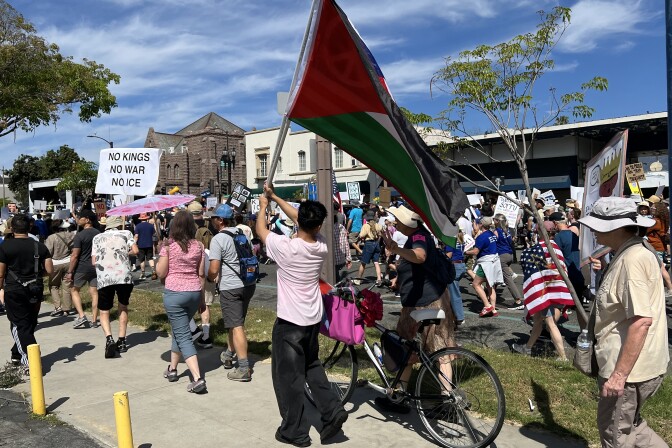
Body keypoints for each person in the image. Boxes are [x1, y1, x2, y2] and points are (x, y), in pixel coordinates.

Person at [256, 186, 347, 446]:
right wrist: (274, 197)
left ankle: (294, 430)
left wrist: (264, 205)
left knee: (289, 379)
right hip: (311, 319)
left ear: (302, 223)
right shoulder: (320, 246)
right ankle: (332, 410)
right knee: (312, 366)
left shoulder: (287, 248)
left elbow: (261, 231)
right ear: (318, 225)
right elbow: (300, 217)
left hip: (289, 323)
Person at [578, 197, 669, 447]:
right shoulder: (631, 252)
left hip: (629, 371)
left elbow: (641, 321)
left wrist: (619, 376)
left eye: (597, 225)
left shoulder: (632, 260)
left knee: (615, 434)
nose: (593, 230)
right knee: (633, 427)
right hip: (637, 366)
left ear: (617, 227)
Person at [379, 204, 455, 412]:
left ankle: (438, 400)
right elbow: (417, 264)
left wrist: (395, 249)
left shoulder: (418, 237)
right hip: (431, 300)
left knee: (411, 347)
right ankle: (445, 400)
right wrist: (399, 277)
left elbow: (420, 256)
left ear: (406, 223)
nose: (395, 222)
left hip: (423, 304)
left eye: (398, 220)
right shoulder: (419, 236)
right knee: (434, 351)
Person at [156, 210, 207, 394]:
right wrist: (201, 299)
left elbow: (161, 273)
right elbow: (201, 274)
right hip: (193, 292)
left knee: (183, 336)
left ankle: (197, 378)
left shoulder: (169, 247)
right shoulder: (199, 246)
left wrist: (160, 255)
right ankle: (172, 369)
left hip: (175, 294)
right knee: (180, 331)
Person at [208, 204, 257, 382]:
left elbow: (213, 269)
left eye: (213, 218)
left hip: (231, 286)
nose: (211, 221)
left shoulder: (218, 239)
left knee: (236, 325)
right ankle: (229, 354)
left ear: (220, 220)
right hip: (248, 284)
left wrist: (208, 277)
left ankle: (244, 368)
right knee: (234, 321)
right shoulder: (241, 234)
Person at [0, 214, 53, 372]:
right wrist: (35, 276)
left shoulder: (5, 247)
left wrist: (0, 289)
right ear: (29, 227)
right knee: (29, 323)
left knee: (20, 325)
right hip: (35, 290)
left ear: (12, 228)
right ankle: (16, 353)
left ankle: (32, 362)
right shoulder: (40, 246)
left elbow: (1, 274)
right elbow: (49, 270)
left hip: (13, 290)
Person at [511, 238, 573, 361]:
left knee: (551, 325)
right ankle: (527, 348)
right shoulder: (555, 249)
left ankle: (563, 357)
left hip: (544, 293)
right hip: (554, 290)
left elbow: (534, 270)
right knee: (538, 321)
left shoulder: (541, 251)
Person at [91, 215, 138, 358]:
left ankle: (109, 338)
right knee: (123, 306)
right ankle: (122, 340)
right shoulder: (126, 234)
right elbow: (135, 251)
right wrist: (124, 253)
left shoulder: (97, 238)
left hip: (105, 278)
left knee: (104, 311)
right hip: (123, 276)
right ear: (119, 225)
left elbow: (94, 261)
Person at [66, 209, 100, 329]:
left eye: (80, 218)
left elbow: (75, 255)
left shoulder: (79, 236)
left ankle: (81, 316)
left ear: (87, 220)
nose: (78, 220)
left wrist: (70, 271)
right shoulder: (99, 233)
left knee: (74, 290)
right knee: (94, 293)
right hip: (96, 267)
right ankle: (94, 320)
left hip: (82, 267)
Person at [188, 201, 214, 347]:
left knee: (187, 304)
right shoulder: (210, 225)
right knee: (205, 304)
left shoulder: (188, 228)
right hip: (209, 267)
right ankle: (206, 336)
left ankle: (192, 331)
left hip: (194, 271)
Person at [466, 216, 503, 317]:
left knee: (476, 284)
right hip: (494, 261)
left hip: (486, 262)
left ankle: (487, 305)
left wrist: (465, 251)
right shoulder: (493, 234)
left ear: (481, 225)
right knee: (490, 285)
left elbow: (476, 251)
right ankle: (494, 309)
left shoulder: (481, 237)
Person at [550, 211, 585, 299]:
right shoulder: (574, 235)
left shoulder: (559, 237)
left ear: (555, 223)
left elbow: (555, 256)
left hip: (568, 276)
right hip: (578, 273)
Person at [44, 219, 75, 317]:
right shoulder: (70, 235)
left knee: (54, 286)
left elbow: (48, 252)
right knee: (67, 286)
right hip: (68, 262)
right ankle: (67, 309)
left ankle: (58, 307)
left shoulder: (51, 238)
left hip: (55, 263)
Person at [493, 214, 523, 310]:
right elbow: (511, 242)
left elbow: (493, 243)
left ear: (497, 221)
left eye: (494, 219)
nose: (493, 221)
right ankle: (490, 296)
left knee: (508, 279)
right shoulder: (507, 231)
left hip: (502, 255)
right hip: (509, 254)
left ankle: (518, 300)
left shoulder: (497, 231)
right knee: (496, 276)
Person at [445, 227, 467, 326]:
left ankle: (460, 317)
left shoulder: (451, 240)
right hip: (461, 265)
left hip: (454, 266)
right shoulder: (460, 238)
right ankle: (452, 314)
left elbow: (448, 256)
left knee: (454, 294)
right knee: (450, 291)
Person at [357, 214, 383, 285]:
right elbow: (381, 232)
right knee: (376, 262)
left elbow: (361, 235)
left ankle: (358, 279)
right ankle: (379, 279)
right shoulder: (378, 225)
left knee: (363, 262)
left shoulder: (366, 226)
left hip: (369, 244)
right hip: (376, 244)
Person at [134, 213, 156, 280]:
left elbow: (136, 236)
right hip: (149, 244)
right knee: (150, 258)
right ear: (147, 218)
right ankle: (153, 270)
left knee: (142, 260)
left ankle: (143, 273)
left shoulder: (138, 226)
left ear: (141, 219)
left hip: (141, 245)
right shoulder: (151, 226)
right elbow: (153, 233)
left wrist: (134, 243)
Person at [333, 215, 352, 281]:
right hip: (341, 258)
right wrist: (348, 258)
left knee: (334, 277)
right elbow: (346, 243)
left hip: (332, 259)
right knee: (336, 274)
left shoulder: (327, 228)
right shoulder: (341, 227)